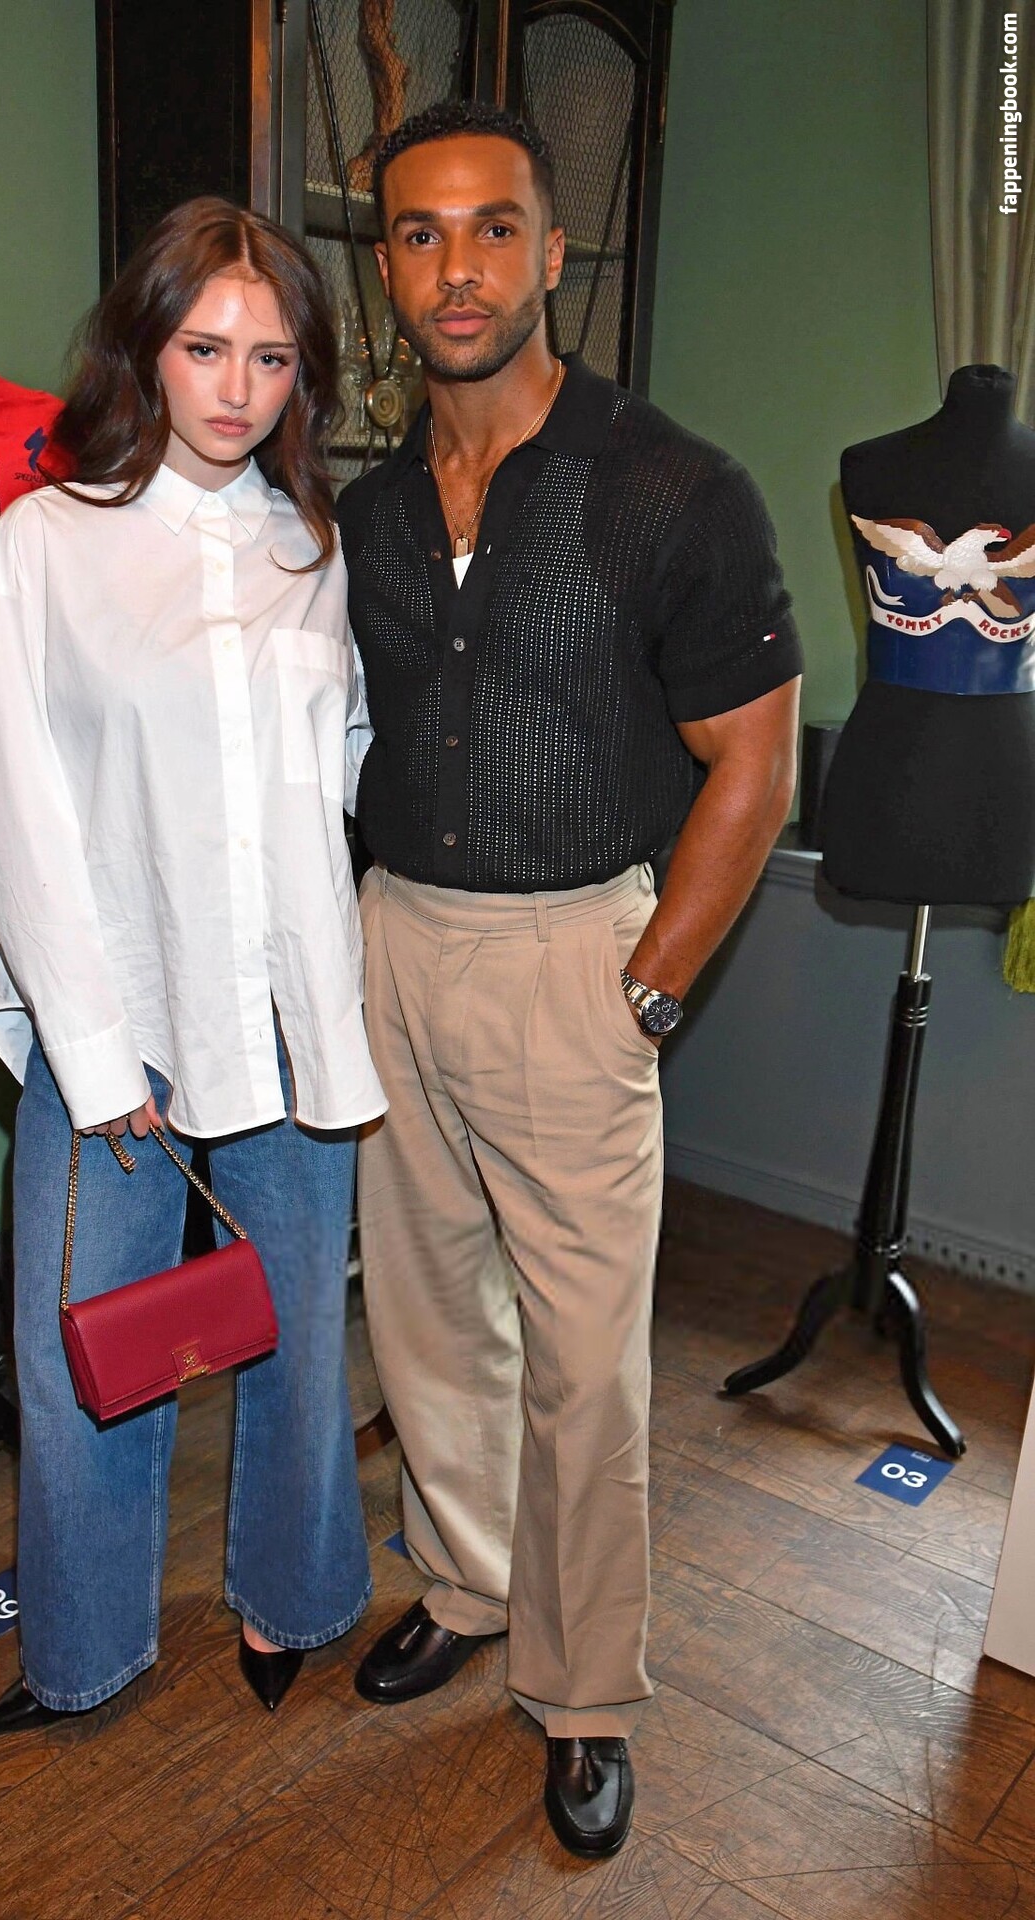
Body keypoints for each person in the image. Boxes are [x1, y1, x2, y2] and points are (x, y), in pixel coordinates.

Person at [338, 102, 803, 1857]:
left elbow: (755, 767)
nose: (456, 269)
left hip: (573, 960)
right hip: (397, 939)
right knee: (429, 1323)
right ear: (387, 269)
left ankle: (587, 1691)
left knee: (585, 1368)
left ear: (551, 252)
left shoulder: (672, 487)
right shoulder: (370, 507)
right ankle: (465, 1585)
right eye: (420, 234)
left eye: (492, 230)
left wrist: (649, 989)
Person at [0, 196, 387, 1737]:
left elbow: (344, 762)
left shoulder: (312, 549)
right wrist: (92, 1046)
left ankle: (297, 1597)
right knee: (84, 1352)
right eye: (206, 349)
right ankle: (82, 1650)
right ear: (145, 348)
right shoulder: (47, 544)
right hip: (119, 1026)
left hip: (286, 1019)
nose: (237, 389)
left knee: (300, 1334)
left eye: (272, 359)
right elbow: (20, 809)